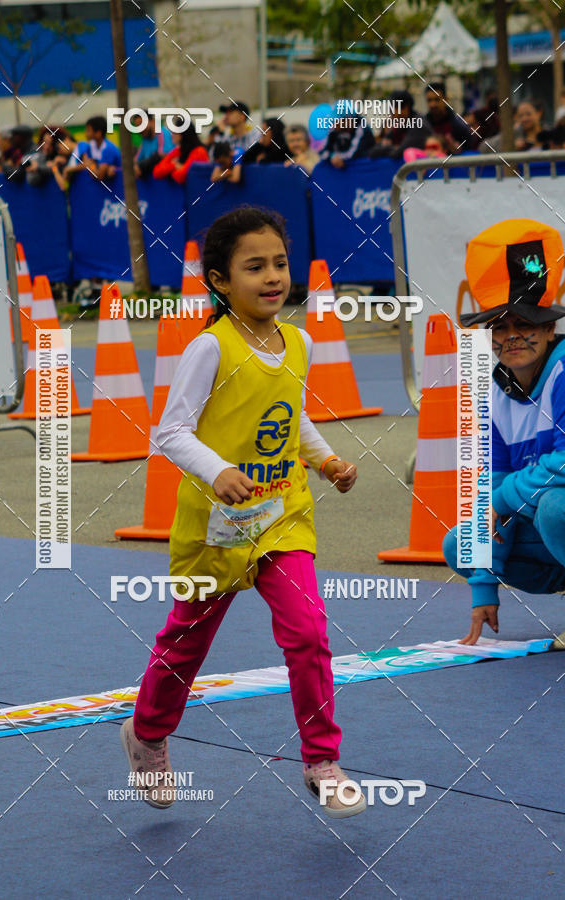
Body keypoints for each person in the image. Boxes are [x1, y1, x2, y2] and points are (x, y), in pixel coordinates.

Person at [120, 207, 366, 818]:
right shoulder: (211, 347)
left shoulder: (300, 341)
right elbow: (171, 431)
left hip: (283, 518)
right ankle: (147, 734)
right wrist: (217, 471)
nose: (272, 276)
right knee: (186, 642)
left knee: (308, 632)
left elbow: (288, 414)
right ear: (221, 281)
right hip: (218, 528)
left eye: (279, 263)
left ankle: (322, 761)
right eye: (253, 267)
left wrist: (327, 460)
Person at [443, 218, 565, 648]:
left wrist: (500, 497)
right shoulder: (493, 391)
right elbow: (490, 485)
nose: (511, 336)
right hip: (545, 520)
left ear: (550, 329)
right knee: (461, 543)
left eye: (525, 324)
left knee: (555, 508)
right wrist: (483, 586)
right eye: (499, 327)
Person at [369, 90, 431, 160]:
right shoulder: (399, 125)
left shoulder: (419, 124)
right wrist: (393, 147)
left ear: (406, 108)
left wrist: (391, 147)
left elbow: (397, 153)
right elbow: (372, 152)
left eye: (394, 108)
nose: (392, 114)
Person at [152, 118, 209, 184]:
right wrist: (174, 165)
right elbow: (156, 172)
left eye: (174, 132)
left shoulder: (199, 151)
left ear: (183, 134)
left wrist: (169, 170)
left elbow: (180, 176)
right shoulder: (178, 151)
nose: (172, 135)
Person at [424, 81, 473, 153]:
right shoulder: (423, 125)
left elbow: (468, 153)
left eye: (437, 100)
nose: (432, 104)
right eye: (429, 100)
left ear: (446, 100)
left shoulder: (460, 126)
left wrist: (457, 150)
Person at [132, 111, 171, 179]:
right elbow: (136, 160)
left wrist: (141, 166)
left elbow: (164, 155)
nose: (140, 129)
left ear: (152, 122)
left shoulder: (162, 134)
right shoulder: (145, 140)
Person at [82, 115, 121, 180]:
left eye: (88, 130)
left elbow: (99, 175)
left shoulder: (109, 149)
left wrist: (89, 165)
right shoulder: (90, 146)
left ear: (98, 133)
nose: (85, 133)